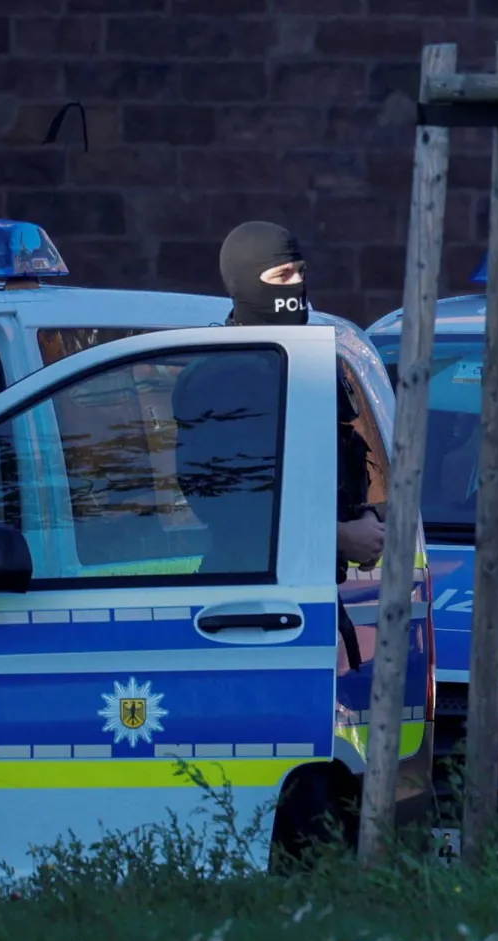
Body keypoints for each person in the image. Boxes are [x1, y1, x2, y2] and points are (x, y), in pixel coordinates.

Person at [174, 221, 384, 663]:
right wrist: (338, 537)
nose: (297, 286)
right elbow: (228, 502)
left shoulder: (305, 365)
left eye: (301, 272)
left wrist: (362, 515)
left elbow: (333, 464)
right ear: (246, 281)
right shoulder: (219, 375)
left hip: (309, 591)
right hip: (247, 601)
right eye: (281, 277)